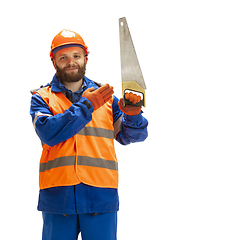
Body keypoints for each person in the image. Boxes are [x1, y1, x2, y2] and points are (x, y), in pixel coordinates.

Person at [30, 29, 148, 240]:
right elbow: (48, 133)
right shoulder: (42, 98)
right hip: (59, 197)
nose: (71, 62)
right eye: (63, 57)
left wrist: (134, 116)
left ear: (85, 58)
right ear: (54, 61)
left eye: (76, 56)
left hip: (100, 195)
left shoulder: (106, 98)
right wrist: (87, 105)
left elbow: (131, 136)